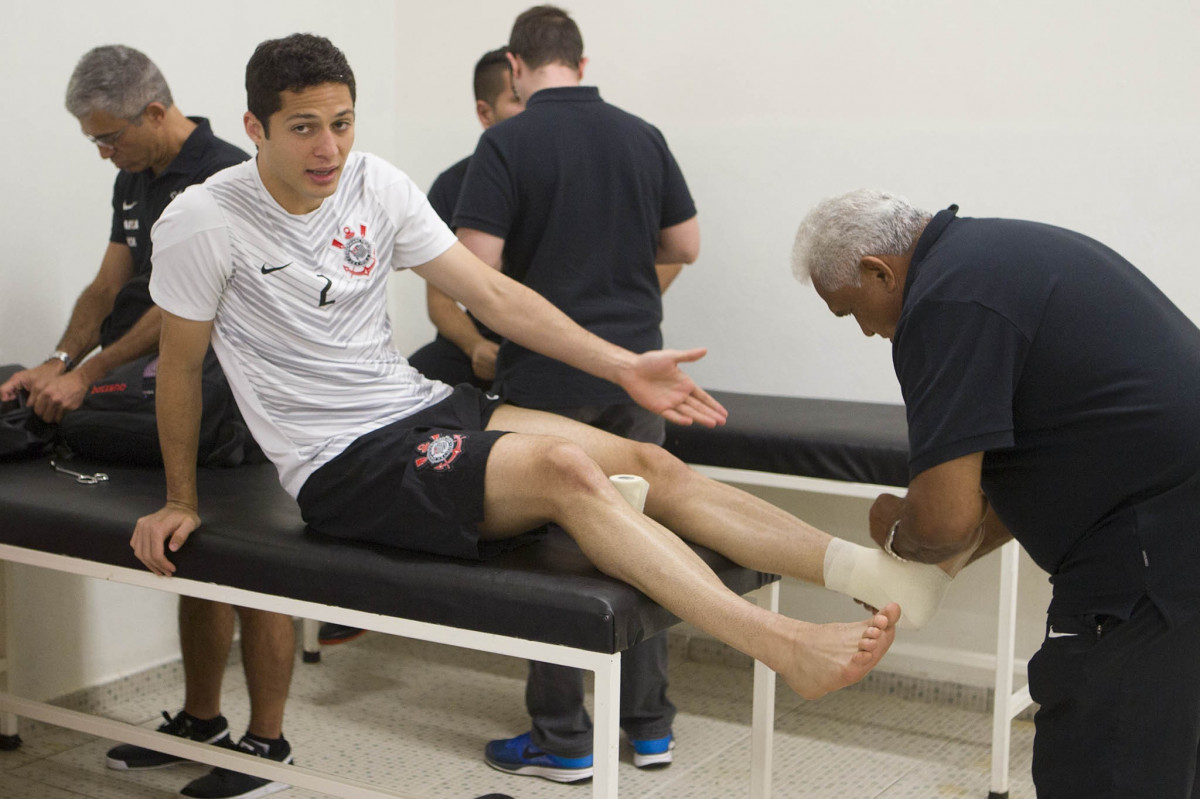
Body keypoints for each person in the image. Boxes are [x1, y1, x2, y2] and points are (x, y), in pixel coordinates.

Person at [133, 33, 954, 795]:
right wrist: (180, 498)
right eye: (304, 128)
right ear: (255, 127)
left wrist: (625, 366)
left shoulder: (374, 182)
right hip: (340, 461)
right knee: (567, 470)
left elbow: (490, 292)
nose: (328, 148)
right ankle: (780, 646)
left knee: (651, 463)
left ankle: (872, 572)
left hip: (425, 409)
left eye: (341, 123)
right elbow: (179, 368)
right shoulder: (206, 220)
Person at [792, 188, 1200, 798]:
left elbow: (944, 523)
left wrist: (901, 535)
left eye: (854, 311)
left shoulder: (943, 303)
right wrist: (922, 576)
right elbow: (1039, 468)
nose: (869, 332)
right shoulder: (998, 254)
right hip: (1172, 529)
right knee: (1165, 754)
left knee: (1102, 760)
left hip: (1149, 550)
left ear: (880, 271)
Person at [0, 45, 295, 799]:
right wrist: (57, 357)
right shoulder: (135, 177)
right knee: (196, 558)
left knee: (255, 568)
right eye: (94, 142)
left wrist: (88, 373)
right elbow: (111, 284)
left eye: (111, 138)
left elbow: (181, 307)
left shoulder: (231, 175)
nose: (105, 154)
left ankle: (267, 745)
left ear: (156, 112)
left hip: (236, 399)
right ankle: (202, 718)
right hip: (157, 392)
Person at [453, 6, 691, 781]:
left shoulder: (505, 142)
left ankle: (564, 740)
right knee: (641, 545)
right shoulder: (640, 135)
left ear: (516, 69)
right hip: (638, 378)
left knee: (551, 561)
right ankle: (651, 728)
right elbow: (684, 244)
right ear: (580, 65)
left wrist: (505, 328)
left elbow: (474, 273)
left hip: (545, 382)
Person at [316, 46, 527, 648]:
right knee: (391, 423)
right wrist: (480, 349)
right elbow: (443, 303)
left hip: (534, 354)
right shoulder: (455, 184)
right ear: (487, 111)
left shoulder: (562, 173)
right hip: (474, 348)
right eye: (517, 99)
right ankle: (358, 589)